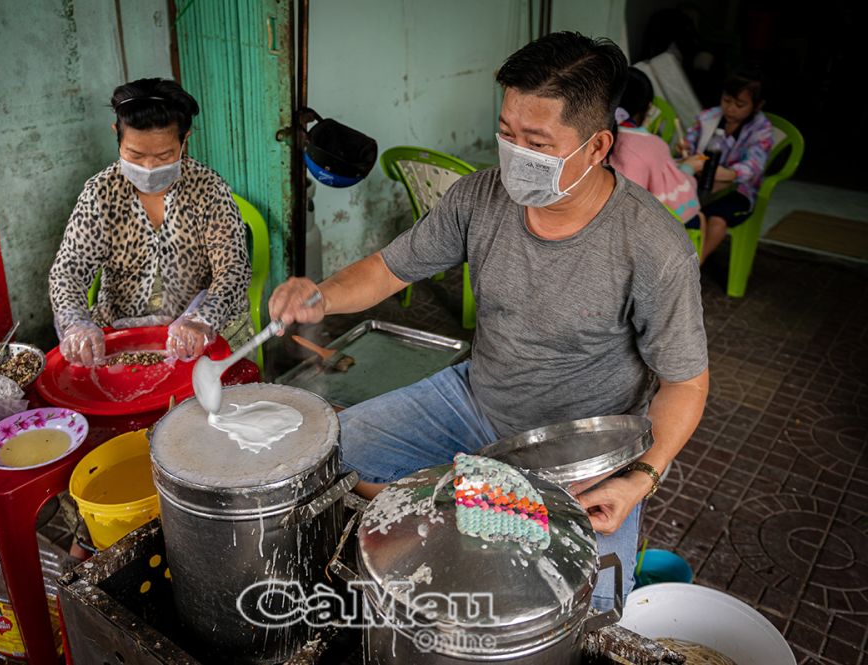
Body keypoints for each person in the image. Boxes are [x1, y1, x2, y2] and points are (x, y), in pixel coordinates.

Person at [270, 32, 709, 610]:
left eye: (537, 141)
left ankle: (467, 503)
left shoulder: (651, 246)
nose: (514, 154)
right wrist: (319, 297)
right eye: (507, 133)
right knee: (315, 458)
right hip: (473, 400)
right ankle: (461, 501)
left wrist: (640, 479)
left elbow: (685, 383)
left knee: (594, 604)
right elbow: (388, 268)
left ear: (598, 145)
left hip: (582, 451)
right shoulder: (480, 197)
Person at [49, 78, 252, 366]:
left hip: (199, 331)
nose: (148, 168)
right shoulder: (100, 193)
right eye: (135, 155)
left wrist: (203, 319)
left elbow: (233, 268)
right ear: (117, 135)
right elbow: (68, 272)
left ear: (185, 141)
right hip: (122, 332)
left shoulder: (209, 188)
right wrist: (76, 323)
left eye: (163, 156)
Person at [679, 67, 773, 264]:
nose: (730, 109)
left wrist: (718, 172)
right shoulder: (708, 117)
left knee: (717, 219)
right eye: (727, 101)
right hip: (701, 183)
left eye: (739, 105)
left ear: (757, 105)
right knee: (681, 208)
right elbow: (690, 142)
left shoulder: (761, 130)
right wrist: (685, 147)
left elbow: (751, 168)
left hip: (738, 190)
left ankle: (695, 267)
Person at [609, 68, 703, 230]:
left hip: (596, 220)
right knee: (699, 219)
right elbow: (681, 203)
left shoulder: (590, 134)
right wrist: (688, 168)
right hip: (634, 229)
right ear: (649, 108)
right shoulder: (653, 144)